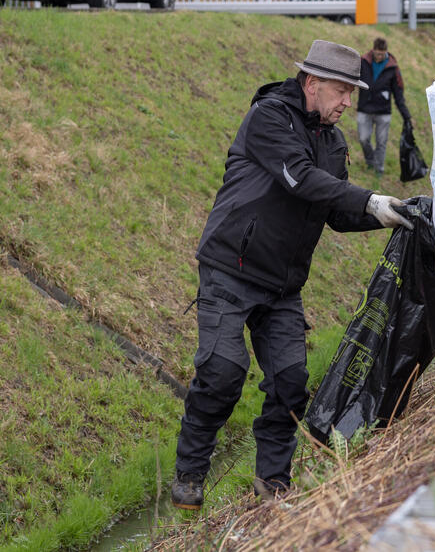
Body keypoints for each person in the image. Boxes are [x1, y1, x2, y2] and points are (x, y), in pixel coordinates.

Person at [171, 40, 413, 510]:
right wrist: (369, 199)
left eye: (353, 93)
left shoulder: (333, 140)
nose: (348, 102)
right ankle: (190, 472)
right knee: (222, 371)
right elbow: (300, 178)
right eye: (342, 91)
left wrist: (390, 213)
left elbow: (335, 209)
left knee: (290, 382)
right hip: (230, 268)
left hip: (282, 286)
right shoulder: (269, 118)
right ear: (312, 82)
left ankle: (272, 485)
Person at [357, 37, 412, 176]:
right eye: (377, 53)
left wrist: (406, 116)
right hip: (365, 108)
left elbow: (399, 94)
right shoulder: (363, 62)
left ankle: (378, 170)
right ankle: (370, 161)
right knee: (363, 139)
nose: (379, 56)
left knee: (381, 142)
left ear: (386, 52)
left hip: (383, 112)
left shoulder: (393, 68)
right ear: (373, 50)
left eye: (382, 54)